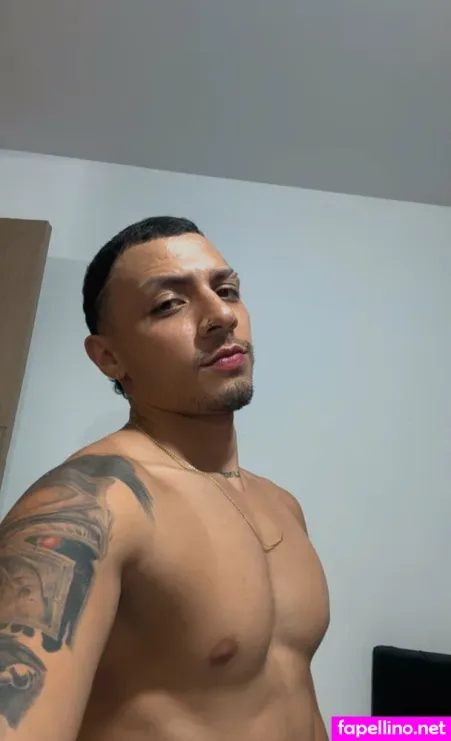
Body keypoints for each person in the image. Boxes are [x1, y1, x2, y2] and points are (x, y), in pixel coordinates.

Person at [0, 216, 330, 741]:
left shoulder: (283, 506)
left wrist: (417, 730)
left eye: (227, 290)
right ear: (109, 357)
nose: (222, 315)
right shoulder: (92, 505)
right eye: (170, 304)